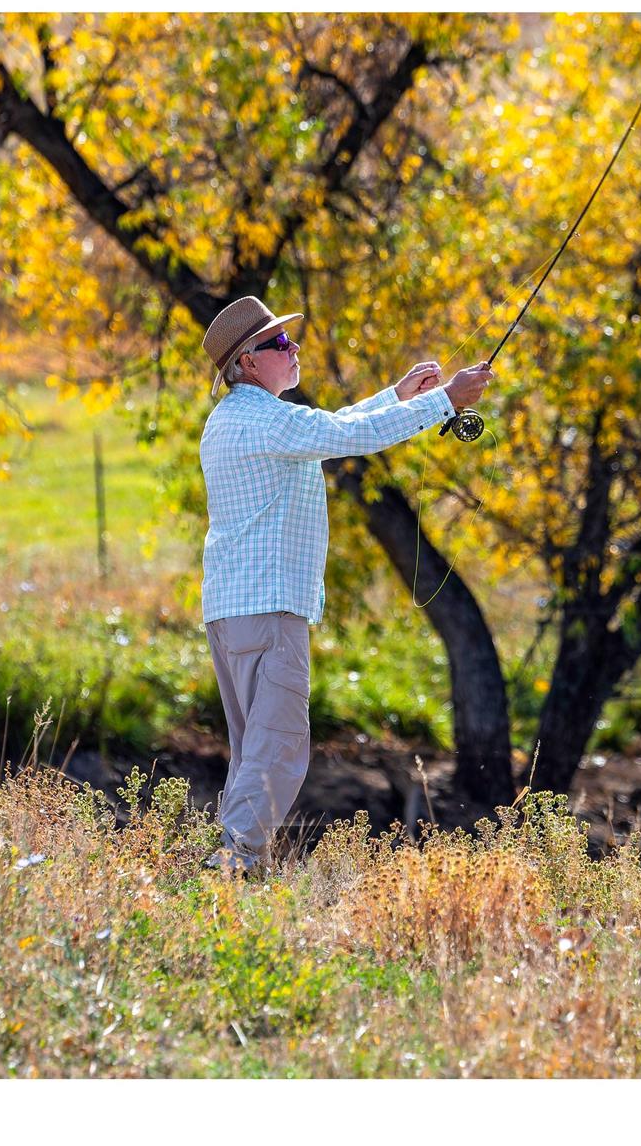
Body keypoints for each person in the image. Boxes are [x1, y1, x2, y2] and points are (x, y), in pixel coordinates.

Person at [197, 295, 492, 875]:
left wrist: (398, 397)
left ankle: (232, 873)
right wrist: (444, 402)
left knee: (255, 751)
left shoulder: (245, 419)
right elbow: (343, 437)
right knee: (279, 746)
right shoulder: (261, 419)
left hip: (236, 614)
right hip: (267, 611)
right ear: (248, 364)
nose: (294, 348)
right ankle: (231, 868)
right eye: (279, 343)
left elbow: (332, 429)